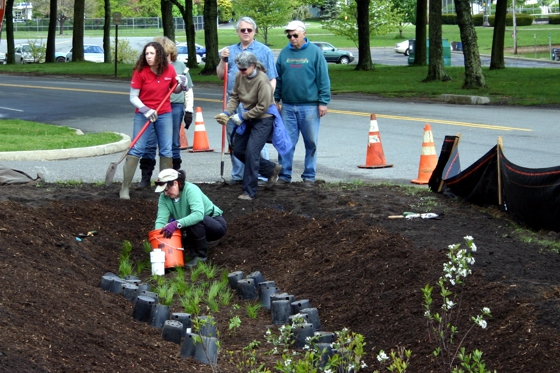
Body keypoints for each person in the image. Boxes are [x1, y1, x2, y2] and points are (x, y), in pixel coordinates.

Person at [120, 41, 189, 199]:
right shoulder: (140, 71)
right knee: (137, 149)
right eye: (146, 54)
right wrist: (145, 109)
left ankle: (165, 188)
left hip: (164, 113)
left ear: (159, 55)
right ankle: (124, 188)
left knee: (166, 150)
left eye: (152, 53)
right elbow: (133, 97)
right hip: (143, 114)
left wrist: (182, 84)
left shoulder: (169, 69)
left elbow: (175, 88)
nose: (149, 56)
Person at [216, 16, 277, 186]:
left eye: (249, 30)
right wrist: (222, 59)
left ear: (254, 31)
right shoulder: (229, 51)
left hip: (256, 103)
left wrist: (267, 99)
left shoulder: (264, 51)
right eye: (242, 30)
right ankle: (238, 175)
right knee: (236, 140)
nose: (246, 32)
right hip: (234, 101)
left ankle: (262, 176)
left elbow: (272, 78)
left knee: (256, 143)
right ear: (237, 32)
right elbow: (221, 75)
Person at [214, 52, 283, 201]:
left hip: (264, 118)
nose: (241, 71)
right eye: (239, 68)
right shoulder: (240, 76)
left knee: (252, 152)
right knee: (238, 149)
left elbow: (263, 107)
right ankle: (271, 169)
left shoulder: (262, 81)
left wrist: (242, 116)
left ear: (253, 66)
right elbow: (235, 96)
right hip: (249, 117)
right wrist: (227, 112)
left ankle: (249, 191)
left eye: (244, 69)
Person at [274, 20, 331, 187]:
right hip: (288, 106)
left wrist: (323, 101)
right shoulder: (284, 54)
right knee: (286, 142)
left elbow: (323, 78)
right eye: (289, 35)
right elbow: (278, 79)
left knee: (311, 142)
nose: (292, 38)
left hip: (310, 105)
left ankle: (309, 176)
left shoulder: (315, 53)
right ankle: (284, 175)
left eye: (295, 35)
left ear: (304, 34)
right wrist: (276, 99)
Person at [137, 36, 195, 189]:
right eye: (164, 55)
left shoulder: (179, 66)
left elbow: (188, 90)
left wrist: (188, 110)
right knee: (149, 142)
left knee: (172, 143)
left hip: (174, 107)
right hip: (153, 109)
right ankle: (145, 177)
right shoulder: (150, 69)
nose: (167, 59)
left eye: (169, 55)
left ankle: (172, 178)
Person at [155, 169, 227, 268]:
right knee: (176, 238)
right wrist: (158, 240)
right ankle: (192, 250)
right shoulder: (164, 198)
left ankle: (201, 257)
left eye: (167, 189)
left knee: (196, 220)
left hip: (214, 225)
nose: (166, 193)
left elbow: (198, 215)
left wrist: (176, 224)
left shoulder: (191, 189)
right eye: (163, 191)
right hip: (190, 228)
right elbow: (161, 220)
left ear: (175, 183)